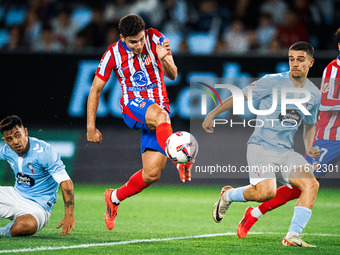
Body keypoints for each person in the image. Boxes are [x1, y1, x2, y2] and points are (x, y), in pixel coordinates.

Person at [202, 41, 321, 247]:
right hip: (262, 146)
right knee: (266, 192)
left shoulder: (314, 95)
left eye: (300, 60)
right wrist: (212, 114)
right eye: (291, 59)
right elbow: (240, 96)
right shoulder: (271, 81)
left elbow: (309, 126)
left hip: (285, 152)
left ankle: (292, 236)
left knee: (311, 184)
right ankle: (229, 195)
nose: (295, 63)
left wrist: (309, 147)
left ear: (311, 62)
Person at [87, 14, 193, 231]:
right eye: (132, 41)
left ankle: (114, 197)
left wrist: (164, 58)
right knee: (161, 115)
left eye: (140, 39)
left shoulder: (156, 39)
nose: (138, 45)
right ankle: (181, 160)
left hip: (158, 116)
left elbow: (173, 75)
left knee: (152, 174)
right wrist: (90, 126)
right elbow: (95, 89)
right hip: (132, 107)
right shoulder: (112, 53)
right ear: (122, 38)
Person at [237, 27, 340, 240]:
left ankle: (277, 226)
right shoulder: (334, 69)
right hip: (330, 138)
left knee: (306, 185)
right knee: (301, 186)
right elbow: (327, 103)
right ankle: (255, 212)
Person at [0, 115, 74, 237]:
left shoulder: (44, 152)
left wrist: (69, 215)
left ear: (25, 132)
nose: (15, 142)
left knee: (22, 227)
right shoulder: (7, 150)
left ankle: (4, 231)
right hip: (15, 195)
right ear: (5, 140)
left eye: (18, 135)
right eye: (9, 139)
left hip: (38, 207)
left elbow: (66, 182)